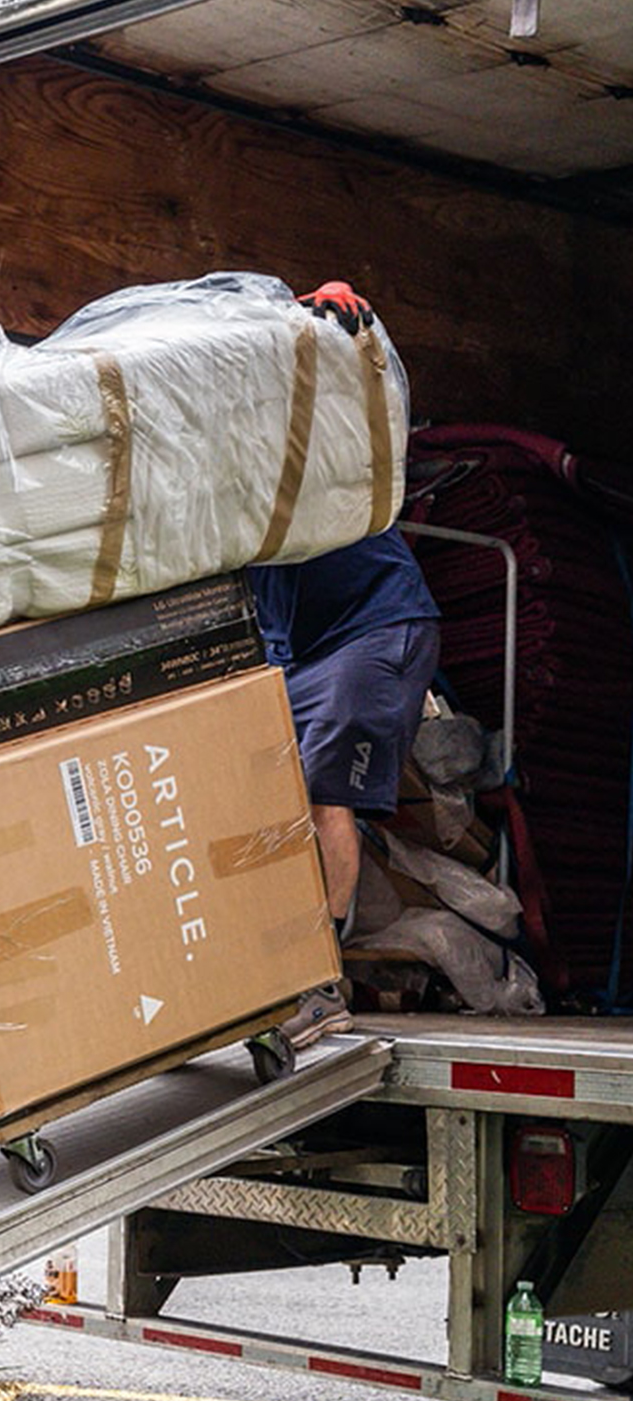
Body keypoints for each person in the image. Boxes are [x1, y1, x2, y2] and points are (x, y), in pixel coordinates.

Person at [248, 283, 441, 1049]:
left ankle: (320, 984)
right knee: (268, 792)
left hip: (376, 628)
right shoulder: (223, 485)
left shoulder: (312, 445)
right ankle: (262, 968)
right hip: (309, 648)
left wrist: (331, 305)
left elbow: (354, 382)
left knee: (325, 791)